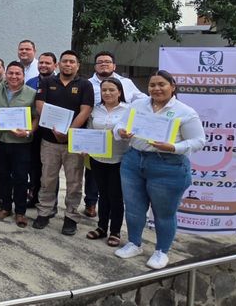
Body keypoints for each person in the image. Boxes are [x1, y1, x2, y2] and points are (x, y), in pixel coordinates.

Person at [114, 70, 205, 270]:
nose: (156, 89)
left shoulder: (185, 112)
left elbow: (199, 141)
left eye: (161, 84)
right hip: (133, 161)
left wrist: (173, 147)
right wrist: (120, 131)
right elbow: (120, 125)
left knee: (164, 212)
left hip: (167, 165)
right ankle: (134, 243)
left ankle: (162, 250)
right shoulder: (138, 105)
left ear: (172, 86)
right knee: (134, 208)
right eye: (152, 85)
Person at [32, 50, 94, 235]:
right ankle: (44, 212)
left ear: (77, 65)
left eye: (72, 62)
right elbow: (40, 105)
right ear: (58, 64)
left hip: (73, 143)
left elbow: (85, 110)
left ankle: (71, 217)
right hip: (49, 140)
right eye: (65, 61)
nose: (68, 64)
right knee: (47, 179)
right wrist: (54, 128)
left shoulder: (85, 85)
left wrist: (68, 132)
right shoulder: (47, 82)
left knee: (74, 182)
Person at [84, 51, 148, 218]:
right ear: (95, 66)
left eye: (107, 61)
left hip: (119, 147)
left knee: (115, 189)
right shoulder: (87, 83)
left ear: (114, 65)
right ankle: (91, 203)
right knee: (92, 175)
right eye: (100, 62)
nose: (104, 64)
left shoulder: (126, 82)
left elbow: (143, 100)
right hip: (95, 137)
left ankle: (114, 228)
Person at [0, 61, 36, 228]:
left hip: (21, 143)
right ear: (5, 74)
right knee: (2, 175)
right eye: (11, 73)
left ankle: (21, 212)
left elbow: (36, 117)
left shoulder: (31, 93)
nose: (14, 76)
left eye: (18, 74)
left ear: (23, 76)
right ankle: (5, 207)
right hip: (0, 141)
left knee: (21, 177)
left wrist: (29, 131)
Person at [85, 77, 130, 247]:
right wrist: (84, 145)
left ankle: (115, 231)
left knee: (116, 197)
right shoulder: (96, 110)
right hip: (98, 158)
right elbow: (89, 130)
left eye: (112, 90)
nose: (108, 93)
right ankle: (102, 227)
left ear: (119, 92)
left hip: (119, 159)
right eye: (104, 90)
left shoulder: (128, 110)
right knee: (102, 194)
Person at [25, 52, 57, 208]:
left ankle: (51, 202)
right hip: (34, 129)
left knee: (50, 169)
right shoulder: (31, 82)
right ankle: (34, 196)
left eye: (47, 63)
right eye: (41, 63)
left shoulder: (59, 83)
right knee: (34, 165)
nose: (43, 65)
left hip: (53, 131)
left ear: (55, 65)